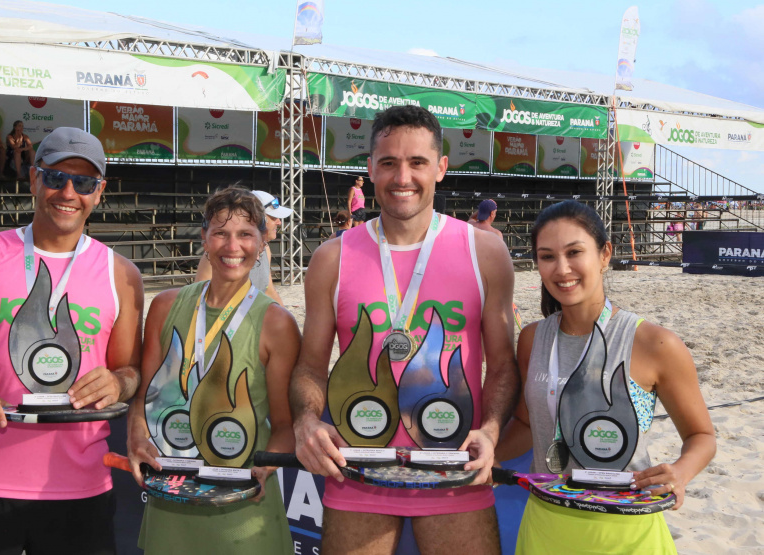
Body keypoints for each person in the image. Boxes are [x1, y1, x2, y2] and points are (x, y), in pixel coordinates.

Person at [289, 105, 519, 554]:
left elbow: (504, 366)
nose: (402, 177)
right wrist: (305, 421)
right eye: (389, 162)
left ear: (441, 169)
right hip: (359, 467)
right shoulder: (331, 258)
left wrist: (490, 432)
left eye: (417, 162)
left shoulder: (485, 252)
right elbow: (311, 367)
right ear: (370, 169)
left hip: (453, 469)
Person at [0, 127, 144, 555]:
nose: (68, 192)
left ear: (100, 191)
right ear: (34, 179)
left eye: (84, 182)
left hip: (81, 489)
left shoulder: (122, 274)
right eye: (55, 177)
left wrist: (118, 382)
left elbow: (131, 370)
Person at [495, 200, 716, 554]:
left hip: (626, 531)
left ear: (604, 254)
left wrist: (680, 472)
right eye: (547, 256)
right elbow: (526, 422)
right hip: (546, 524)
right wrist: (490, 453)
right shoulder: (533, 338)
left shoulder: (655, 343)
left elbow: (701, 435)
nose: (562, 268)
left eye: (574, 252)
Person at [127, 186, 300, 554]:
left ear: (262, 243)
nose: (231, 246)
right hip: (171, 490)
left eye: (245, 234)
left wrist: (264, 471)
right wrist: (137, 435)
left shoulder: (276, 324)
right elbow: (144, 398)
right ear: (204, 237)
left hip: (240, 503)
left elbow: (285, 426)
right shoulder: (165, 305)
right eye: (220, 232)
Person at [195, 189, 290, 305]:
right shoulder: (214, 258)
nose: (279, 222)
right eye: (274, 217)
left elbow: (269, 290)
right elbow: (200, 299)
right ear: (261, 220)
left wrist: (284, 316)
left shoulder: (266, 251)